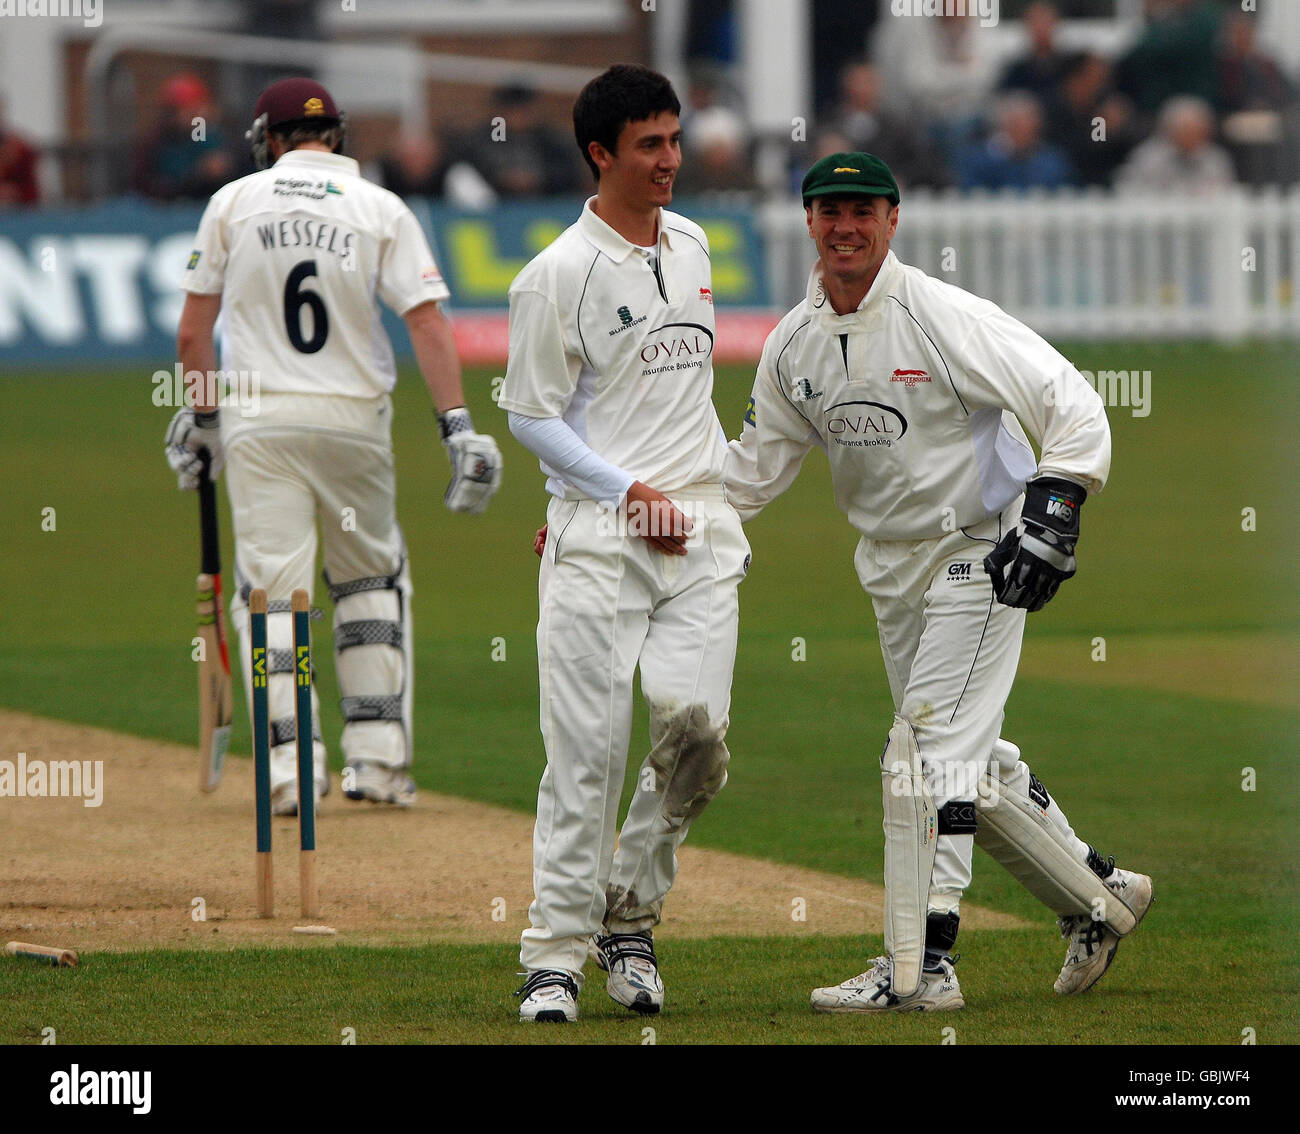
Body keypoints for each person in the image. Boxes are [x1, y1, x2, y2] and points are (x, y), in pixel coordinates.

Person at [725, 152, 1153, 1012]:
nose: (845, 225)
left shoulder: (942, 315)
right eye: (828, 210)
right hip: (888, 568)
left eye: (863, 210)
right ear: (809, 222)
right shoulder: (792, 344)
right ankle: (1102, 900)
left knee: (920, 756)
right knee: (969, 767)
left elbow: (1067, 395)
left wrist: (1056, 504)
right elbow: (747, 476)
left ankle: (919, 968)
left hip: (982, 552)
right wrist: (629, 509)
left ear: (893, 218)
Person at [164, 78, 501, 815]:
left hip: (261, 424)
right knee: (369, 585)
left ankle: (290, 772)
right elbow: (428, 322)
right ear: (335, 136)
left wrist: (204, 420)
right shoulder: (380, 207)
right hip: (354, 422)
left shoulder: (234, 203)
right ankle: (378, 766)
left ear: (270, 140)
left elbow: (194, 332)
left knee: (275, 597)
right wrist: (457, 427)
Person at [498, 64, 749, 1023]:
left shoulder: (690, 244)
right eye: (649, 145)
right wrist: (605, 495)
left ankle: (629, 916)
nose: (670, 161)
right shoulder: (556, 274)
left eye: (675, 141)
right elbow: (531, 415)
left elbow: (680, 398)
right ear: (601, 153)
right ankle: (553, 957)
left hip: (698, 531)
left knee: (698, 736)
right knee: (590, 757)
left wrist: (693, 493)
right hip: (608, 534)